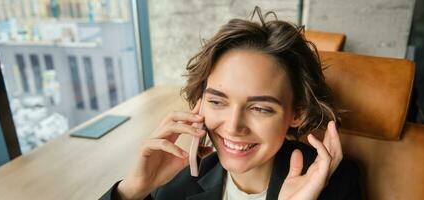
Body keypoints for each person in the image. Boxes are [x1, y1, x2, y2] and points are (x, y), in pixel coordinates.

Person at [101, 6, 361, 200]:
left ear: (298, 113)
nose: (234, 126)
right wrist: (131, 191)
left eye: (260, 108)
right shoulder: (177, 183)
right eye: (217, 101)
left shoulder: (335, 183)